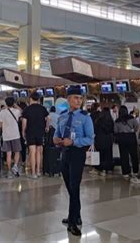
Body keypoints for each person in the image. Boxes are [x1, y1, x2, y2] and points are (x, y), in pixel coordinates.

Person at [54, 85, 94, 236]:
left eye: (80, 98)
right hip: (64, 154)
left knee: (74, 186)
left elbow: (89, 139)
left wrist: (74, 142)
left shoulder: (85, 117)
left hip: (77, 154)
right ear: (69, 99)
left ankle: (72, 223)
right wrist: (55, 139)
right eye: (76, 98)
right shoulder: (63, 116)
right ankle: (76, 215)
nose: (79, 101)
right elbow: (57, 133)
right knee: (70, 188)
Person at [22, 92, 49, 178]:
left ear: (30, 98)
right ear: (38, 99)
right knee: (39, 152)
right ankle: (38, 171)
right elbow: (48, 118)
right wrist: (47, 127)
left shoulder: (27, 109)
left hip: (30, 132)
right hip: (40, 132)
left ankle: (33, 173)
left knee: (32, 152)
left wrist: (23, 131)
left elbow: (24, 122)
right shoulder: (43, 108)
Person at [0, 97, 22, 178]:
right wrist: (15, 105)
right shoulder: (17, 111)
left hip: (6, 135)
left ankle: (9, 172)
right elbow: (21, 111)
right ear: (13, 103)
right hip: (15, 135)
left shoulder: (2, 112)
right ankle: (15, 166)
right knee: (17, 152)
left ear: (6, 103)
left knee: (8, 153)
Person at [114, 105, 140, 180]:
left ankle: (126, 172)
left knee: (123, 156)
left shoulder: (117, 121)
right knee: (134, 155)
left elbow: (115, 131)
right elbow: (137, 126)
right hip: (131, 137)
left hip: (122, 138)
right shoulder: (132, 118)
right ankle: (135, 171)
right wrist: (133, 131)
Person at [94, 107, 114, 176]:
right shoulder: (111, 121)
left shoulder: (98, 121)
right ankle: (108, 169)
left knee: (100, 155)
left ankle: (101, 169)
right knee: (108, 155)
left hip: (99, 139)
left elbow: (95, 130)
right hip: (108, 140)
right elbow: (113, 131)